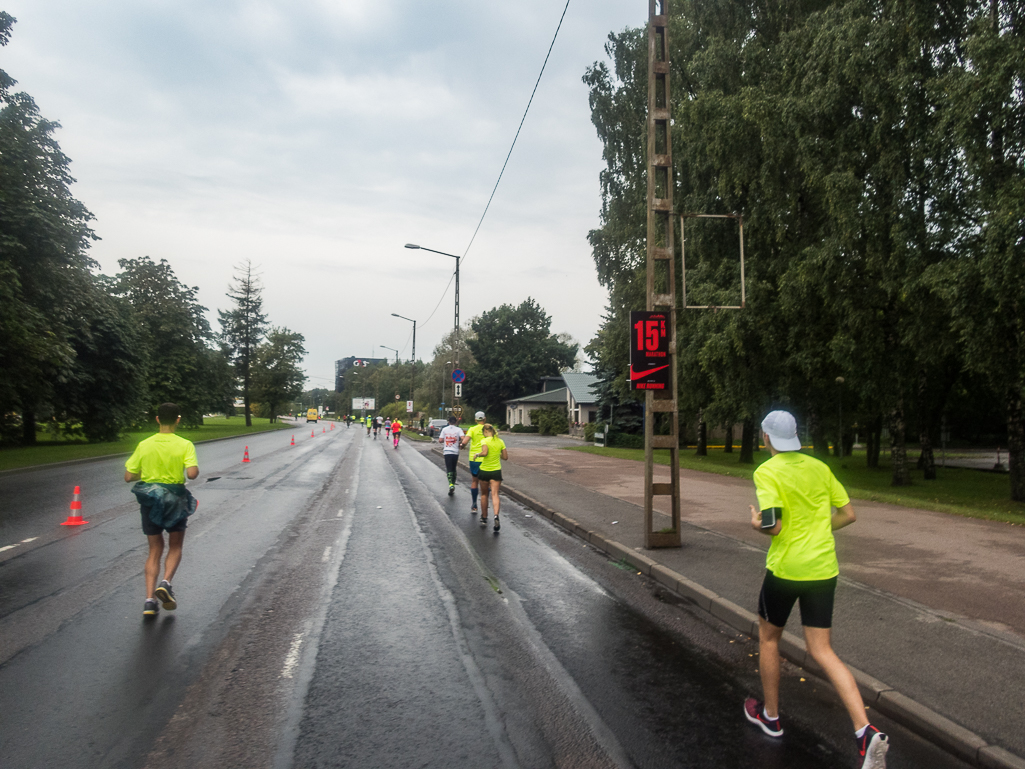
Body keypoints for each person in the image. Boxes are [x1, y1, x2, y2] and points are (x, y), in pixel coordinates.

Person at [744, 410, 888, 769]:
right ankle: (865, 731)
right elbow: (848, 513)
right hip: (823, 570)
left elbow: (774, 527)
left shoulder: (766, 471)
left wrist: (756, 524)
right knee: (822, 650)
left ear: (766, 439)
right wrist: (817, 530)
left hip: (786, 570)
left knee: (769, 639)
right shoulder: (818, 467)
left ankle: (772, 718)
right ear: (794, 436)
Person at [124, 403, 199, 618]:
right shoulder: (185, 444)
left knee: (154, 549)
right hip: (175, 499)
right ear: (178, 419)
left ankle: (149, 601)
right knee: (175, 546)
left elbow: (129, 476)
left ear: (157, 419)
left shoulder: (144, 444)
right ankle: (166, 583)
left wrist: (147, 475)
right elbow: (192, 474)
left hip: (150, 499)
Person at [475, 423, 507, 532]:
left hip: (484, 471)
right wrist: (498, 454)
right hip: (496, 471)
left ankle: (484, 517)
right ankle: (496, 516)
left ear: (485, 432)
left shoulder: (484, 441)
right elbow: (506, 457)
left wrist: (477, 455)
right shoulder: (500, 442)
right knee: (495, 494)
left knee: (484, 494)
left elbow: (485, 452)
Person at [460, 412, 487, 514]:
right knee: (486, 482)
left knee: (474, 481)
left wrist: (462, 446)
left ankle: (474, 504)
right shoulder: (489, 429)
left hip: (474, 459)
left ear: (475, 420)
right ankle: (485, 505)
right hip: (486, 458)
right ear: (485, 418)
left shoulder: (472, 429)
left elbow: (465, 441)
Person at [438, 416, 465, 495]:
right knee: (454, 468)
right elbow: (463, 438)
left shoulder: (444, 429)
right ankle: (453, 482)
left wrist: (445, 439)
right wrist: (460, 442)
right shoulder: (458, 430)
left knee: (449, 468)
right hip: (455, 451)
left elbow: (440, 440)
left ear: (448, 422)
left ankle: (451, 484)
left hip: (447, 451)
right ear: (456, 422)